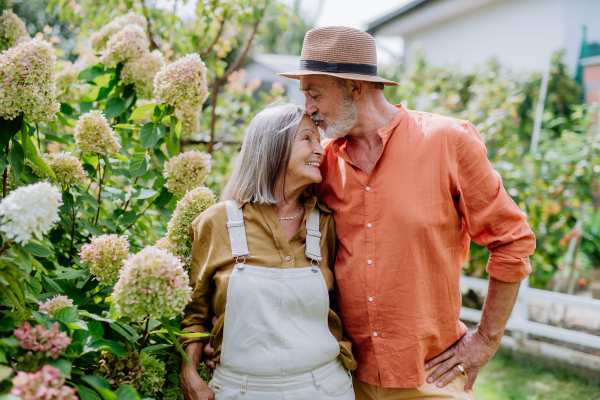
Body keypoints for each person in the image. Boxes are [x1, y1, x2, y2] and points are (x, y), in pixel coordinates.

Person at [275, 26, 537, 399]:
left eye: (315, 92)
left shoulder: (448, 141)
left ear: (354, 86)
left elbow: (513, 241)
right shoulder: (322, 163)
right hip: (342, 377)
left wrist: (485, 340)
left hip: (433, 375)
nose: (308, 108)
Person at [178, 101, 357, 400]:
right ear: (273, 147)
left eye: (319, 139)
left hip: (325, 387)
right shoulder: (217, 222)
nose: (321, 150)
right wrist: (189, 373)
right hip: (239, 390)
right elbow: (195, 313)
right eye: (307, 138)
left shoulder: (325, 222)